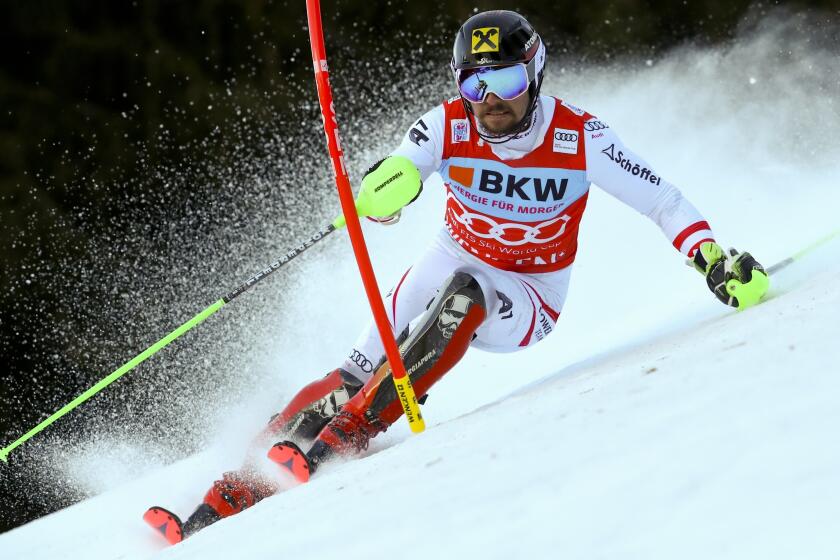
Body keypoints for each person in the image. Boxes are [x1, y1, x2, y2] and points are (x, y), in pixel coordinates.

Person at [144, 9, 769, 544]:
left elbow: (661, 200)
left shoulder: (581, 138)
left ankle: (350, 433)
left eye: (505, 78)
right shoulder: (449, 124)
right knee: (355, 369)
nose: (490, 98)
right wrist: (382, 192)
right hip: (448, 258)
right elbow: (399, 170)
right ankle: (221, 497)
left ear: (535, 73)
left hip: (528, 296)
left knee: (462, 299)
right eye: (474, 83)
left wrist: (712, 259)